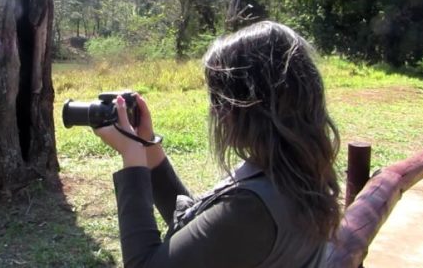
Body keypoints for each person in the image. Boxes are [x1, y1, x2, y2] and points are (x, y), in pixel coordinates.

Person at [94, 21, 341, 268]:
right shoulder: (291, 174)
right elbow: (203, 236)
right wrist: (148, 145)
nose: (216, 111)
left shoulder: (253, 210)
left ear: (250, 106)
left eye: (219, 98)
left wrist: (132, 159)